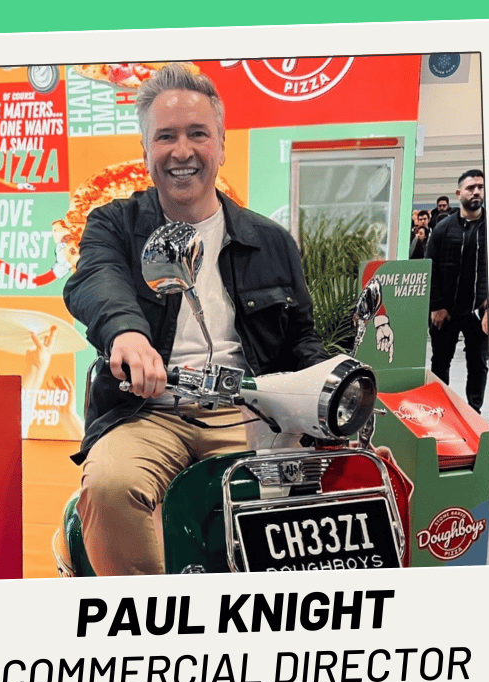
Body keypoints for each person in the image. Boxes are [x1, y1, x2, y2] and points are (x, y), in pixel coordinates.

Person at [63, 63, 329, 576]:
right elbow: (96, 278)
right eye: (165, 136)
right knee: (110, 485)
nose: (181, 151)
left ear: (221, 146)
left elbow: (301, 339)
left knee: (314, 493)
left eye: (197, 134)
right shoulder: (114, 224)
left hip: (250, 412)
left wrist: (328, 389)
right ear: (145, 151)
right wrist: (128, 333)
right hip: (147, 412)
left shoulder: (270, 241)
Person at [426, 169, 489, 413]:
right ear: (458, 193)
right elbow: (430, 268)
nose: (476, 191)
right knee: (440, 362)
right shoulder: (442, 229)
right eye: (471, 187)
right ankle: (440, 411)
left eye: (480, 187)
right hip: (446, 311)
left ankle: (474, 413)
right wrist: (436, 306)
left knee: (478, 364)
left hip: (478, 311)